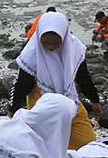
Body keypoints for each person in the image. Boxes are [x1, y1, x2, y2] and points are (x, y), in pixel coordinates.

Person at [11, 12, 101, 149]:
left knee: (87, 145)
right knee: (46, 147)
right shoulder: (31, 53)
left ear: (64, 37)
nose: (51, 47)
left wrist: (95, 100)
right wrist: (13, 110)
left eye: (56, 43)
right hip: (41, 106)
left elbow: (83, 77)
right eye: (46, 43)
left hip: (70, 101)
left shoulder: (75, 49)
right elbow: (22, 85)